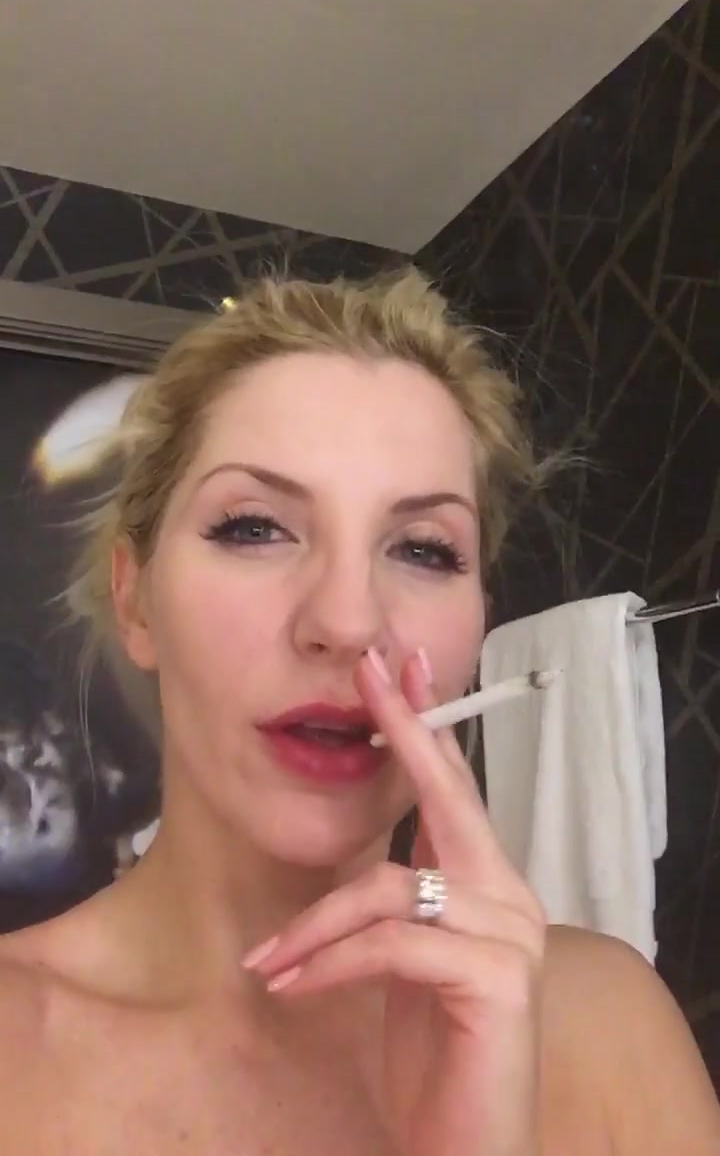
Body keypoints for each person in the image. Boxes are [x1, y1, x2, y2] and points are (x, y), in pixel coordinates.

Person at [0, 268, 716, 1155]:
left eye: (423, 549)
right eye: (255, 527)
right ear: (136, 600)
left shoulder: (606, 1024)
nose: (347, 621)